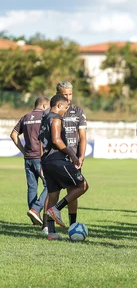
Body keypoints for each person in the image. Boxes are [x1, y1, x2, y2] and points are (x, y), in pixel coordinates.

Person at [39, 94, 89, 240]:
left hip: (47, 161)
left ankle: (52, 233)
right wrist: (72, 155)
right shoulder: (56, 118)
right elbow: (56, 140)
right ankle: (57, 209)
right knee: (82, 185)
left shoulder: (45, 118)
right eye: (65, 108)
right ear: (59, 105)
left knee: (53, 194)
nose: (66, 112)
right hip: (58, 160)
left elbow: (42, 140)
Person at [52, 81, 87, 232]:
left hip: (73, 158)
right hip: (56, 157)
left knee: (74, 191)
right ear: (58, 94)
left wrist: (81, 156)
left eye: (70, 94)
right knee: (53, 191)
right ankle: (48, 227)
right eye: (64, 94)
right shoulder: (53, 112)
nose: (68, 97)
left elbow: (83, 137)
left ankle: (72, 224)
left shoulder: (78, 111)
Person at [10, 97, 50, 227]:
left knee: (32, 187)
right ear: (44, 106)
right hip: (40, 157)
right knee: (50, 185)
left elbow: (13, 134)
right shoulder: (45, 116)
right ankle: (36, 209)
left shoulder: (25, 117)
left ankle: (34, 216)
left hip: (28, 158)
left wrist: (23, 150)